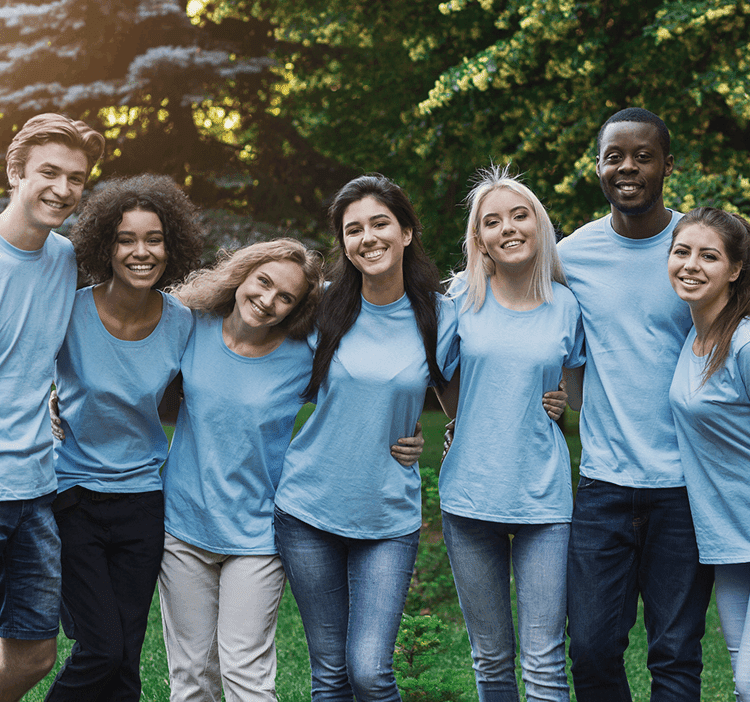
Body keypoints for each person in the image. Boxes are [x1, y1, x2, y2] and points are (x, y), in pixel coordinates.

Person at [157, 239, 423, 702]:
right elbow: (136, 372)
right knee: (192, 676)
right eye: (263, 283)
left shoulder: (305, 354)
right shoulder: (190, 324)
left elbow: (364, 387)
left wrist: (406, 430)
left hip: (258, 533)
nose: (268, 301)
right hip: (182, 527)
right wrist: (65, 403)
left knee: (246, 674)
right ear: (241, 274)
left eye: (286, 298)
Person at [272, 174, 457, 701]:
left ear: (406, 233)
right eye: (354, 230)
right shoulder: (322, 306)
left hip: (387, 515)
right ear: (344, 244)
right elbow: (251, 362)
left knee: (371, 670)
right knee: (329, 675)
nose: (368, 238)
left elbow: (468, 402)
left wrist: (552, 398)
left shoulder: (439, 316)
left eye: (381, 223)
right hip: (308, 509)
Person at [557, 107, 714, 701]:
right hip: (604, 485)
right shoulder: (572, 256)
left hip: (685, 484)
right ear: (598, 166)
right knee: (592, 650)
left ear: (667, 165)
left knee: (675, 654)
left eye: (642, 156)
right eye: (613, 155)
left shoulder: (698, 249)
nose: (627, 167)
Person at [45, 174, 204, 702]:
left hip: (142, 500)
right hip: (72, 496)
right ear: (104, 247)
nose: (141, 251)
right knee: (101, 650)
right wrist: (41, 408)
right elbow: (17, 370)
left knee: (127, 657)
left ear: (170, 245)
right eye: (125, 239)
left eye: (153, 238)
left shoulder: (182, 323)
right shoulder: (69, 309)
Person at [438, 165, 584, 702]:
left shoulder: (567, 306)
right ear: (480, 239)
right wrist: (461, 417)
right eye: (492, 221)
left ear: (539, 225)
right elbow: (437, 377)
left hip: (544, 499)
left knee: (544, 661)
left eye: (519, 215)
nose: (508, 228)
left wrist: (562, 403)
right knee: (492, 659)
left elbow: (576, 390)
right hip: (469, 494)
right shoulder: (458, 298)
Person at [0, 113, 104, 702]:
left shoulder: (63, 258)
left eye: (76, 178)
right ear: (14, 172)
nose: (62, 188)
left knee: (33, 655)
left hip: (36, 490)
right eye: (48, 172)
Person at [668, 208, 750, 702]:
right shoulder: (695, 336)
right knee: (746, 680)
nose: (691, 265)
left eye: (709, 256)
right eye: (681, 252)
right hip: (728, 538)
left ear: (736, 269)